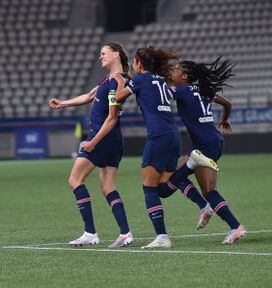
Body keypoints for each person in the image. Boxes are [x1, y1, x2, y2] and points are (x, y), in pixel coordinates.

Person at [113, 46, 218, 249]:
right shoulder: (161, 80)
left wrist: (120, 81)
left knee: (148, 187)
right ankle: (189, 167)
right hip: (173, 135)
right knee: (163, 188)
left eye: (135, 63)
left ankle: (162, 236)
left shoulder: (141, 79)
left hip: (158, 135)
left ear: (139, 64)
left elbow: (118, 97)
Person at [48, 42, 133, 248]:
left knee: (75, 179)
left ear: (116, 54)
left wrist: (92, 142)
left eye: (104, 53)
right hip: (112, 140)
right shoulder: (112, 80)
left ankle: (90, 233)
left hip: (102, 139)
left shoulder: (116, 81)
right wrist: (63, 103)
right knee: (107, 187)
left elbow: (112, 118)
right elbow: (88, 97)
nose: (100, 57)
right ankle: (125, 233)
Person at [168, 57, 246, 244]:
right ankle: (204, 207)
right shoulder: (203, 90)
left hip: (204, 145)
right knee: (175, 173)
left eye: (176, 70)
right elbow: (227, 104)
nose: (172, 72)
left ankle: (235, 227)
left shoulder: (181, 90)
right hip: (214, 141)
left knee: (208, 190)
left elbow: (159, 93)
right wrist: (225, 119)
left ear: (185, 76)